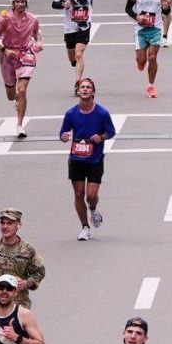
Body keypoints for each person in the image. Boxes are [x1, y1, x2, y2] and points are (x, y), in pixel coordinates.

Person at [61, 78, 118, 240]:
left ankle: (93, 208)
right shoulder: (71, 113)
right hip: (76, 159)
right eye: (82, 87)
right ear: (79, 91)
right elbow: (63, 132)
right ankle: (85, 227)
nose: (85, 89)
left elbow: (111, 132)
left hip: (95, 159)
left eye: (88, 87)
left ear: (93, 92)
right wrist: (64, 136)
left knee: (90, 196)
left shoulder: (102, 113)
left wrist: (101, 137)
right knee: (78, 194)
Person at [0, 0, 43, 135]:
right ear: (13, 4)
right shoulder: (4, 19)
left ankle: (19, 125)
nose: (20, 4)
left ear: (26, 4)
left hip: (26, 54)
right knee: (11, 95)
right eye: (17, 1)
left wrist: (39, 42)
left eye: (23, 2)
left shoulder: (33, 19)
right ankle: (18, 99)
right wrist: (4, 50)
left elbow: (36, 33)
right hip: (8, 56)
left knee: (22, 89)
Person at [0, 208, 47, 309]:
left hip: (19, 302)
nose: (5, 226)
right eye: (2, 223)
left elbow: (39, 272)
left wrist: (26, 283)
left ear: (18, 225)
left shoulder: (28, 250)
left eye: (9, 223)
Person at [125, 0, 172, 98]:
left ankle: (151, 86)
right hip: (140, 29)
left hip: (155, 28)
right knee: (141, 60)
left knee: (152, 57)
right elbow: (128, 8)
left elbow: (166, 12)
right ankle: (141, 62)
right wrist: (136, 17)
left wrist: (166, 8)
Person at [51, 0, 98, 78]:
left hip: (84, 27)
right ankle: (74, 62)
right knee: (72, 58)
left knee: (79, 54)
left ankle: (78, 82)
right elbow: (53, 4)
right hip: (70, 28)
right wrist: (63, 4)